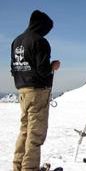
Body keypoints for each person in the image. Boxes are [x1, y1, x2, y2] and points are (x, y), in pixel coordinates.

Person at [11, 10, 61, 171]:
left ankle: (18, 167)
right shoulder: (39, 41)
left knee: (25, 131)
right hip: (38, 92)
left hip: (22, 91)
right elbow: (43, 70)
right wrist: (53, 66)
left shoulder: (16, 41)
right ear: (42, 26)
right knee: (35, 134)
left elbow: (13, 69)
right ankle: (30, 168)